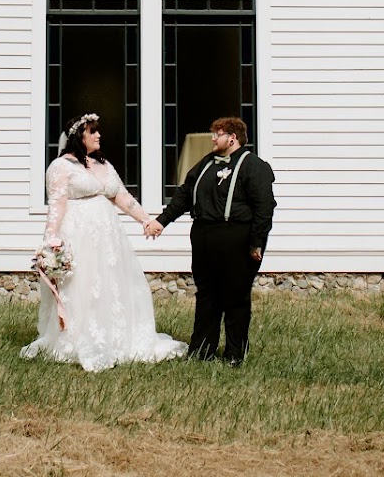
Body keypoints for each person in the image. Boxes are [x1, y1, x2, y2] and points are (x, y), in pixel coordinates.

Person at [21, 112, 188, 372]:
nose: (99, 135)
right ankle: (77, 340)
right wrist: (50, 241)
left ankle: (117, 337)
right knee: (85, 285)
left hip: (109, 238)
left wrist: (146, 220)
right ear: (79, 136)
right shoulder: (61, 167)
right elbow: (57, 205)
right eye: (92, 131)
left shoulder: (104, 165)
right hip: (79, 235)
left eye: (98, 131)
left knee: (111, 284)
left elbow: (122, 196)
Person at [145, 116, 275, 366]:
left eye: (218, 134)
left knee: (235, 297)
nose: (213, 138)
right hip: (204, 237)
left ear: (232, 138)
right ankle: (202, 349)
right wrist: (162, 221)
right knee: (207, 294)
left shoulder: (254, 166)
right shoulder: (206, 164)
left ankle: (235, 354)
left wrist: (257, 242)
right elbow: (184, 194)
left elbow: (264, 208)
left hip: (236, 238)